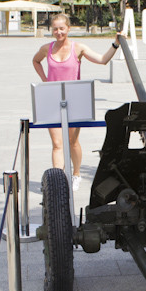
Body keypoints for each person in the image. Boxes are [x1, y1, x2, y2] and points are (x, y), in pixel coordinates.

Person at [32, 13, 120, 191]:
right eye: (55, 29)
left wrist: (116, 44)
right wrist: (45, 79)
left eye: (61, 28)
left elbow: (102, 60)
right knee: (57, 144)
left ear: (68, 29)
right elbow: (36, 61)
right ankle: (58, 180)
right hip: (52, 99)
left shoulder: (78, 48)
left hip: (74, 100)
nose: (58, 32)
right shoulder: (46, 49)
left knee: (72, 142)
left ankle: (76, 174)